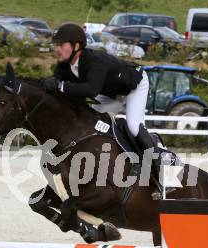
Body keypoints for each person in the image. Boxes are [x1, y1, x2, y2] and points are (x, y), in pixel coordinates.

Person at [43, 23, 164, 198]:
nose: (57, 49)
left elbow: (90, 90)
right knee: (91, 123)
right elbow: (55, 86)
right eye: (56, 45)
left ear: (76, 46)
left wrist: (60, 86)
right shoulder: (64, 66)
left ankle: (159, 174)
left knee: (133, 126)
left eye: (61, 45)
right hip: (110, 93)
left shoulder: (94, 60)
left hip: (133, 86)